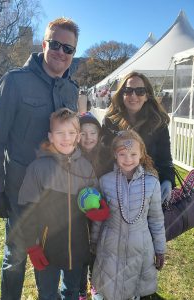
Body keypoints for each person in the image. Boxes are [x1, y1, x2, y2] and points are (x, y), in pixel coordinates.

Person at [0, 17, 80, 300]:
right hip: (18, 192)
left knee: (47, 259)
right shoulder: (14, 82)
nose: (61, 52)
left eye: (69, 48)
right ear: (44, 44)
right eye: (56, 44)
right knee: (16, 259)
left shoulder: (71, 90)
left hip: (57, 194)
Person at [18, 108, 102, 299]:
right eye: (60, 133)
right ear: (50, 136)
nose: (66, 138)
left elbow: (95, 198)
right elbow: (26, 211)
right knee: (47, 293)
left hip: (78, 247)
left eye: (71, 133)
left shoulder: (86, 167)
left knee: (71, 291)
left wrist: (98, 208)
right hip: (48, 248)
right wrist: (32, 245)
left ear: (78, 136)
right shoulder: (38, 169)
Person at [91, 130, 166, 300]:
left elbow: (156, 219)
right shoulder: (105, 181)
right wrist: (94, 241)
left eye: (133, 154)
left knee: (135, 290)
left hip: (140, 247)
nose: (128, 159)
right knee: (110, 287)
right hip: (110, 246)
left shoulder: (152, 183)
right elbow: (98, 217)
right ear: (115, 155)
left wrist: (160, 249)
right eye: (122, 154)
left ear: (141, 154)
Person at [101, 71, 175, 204]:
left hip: (148, 192)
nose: (133, 95)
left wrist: (167, 181)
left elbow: (165, 160)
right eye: (128, 90)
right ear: (122, 94)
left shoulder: (158, 124)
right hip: (116, 192)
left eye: (140, 91)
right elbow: (103, 158)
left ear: (147, 96)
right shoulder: (110, 123)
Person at [79, 112, 111, 300]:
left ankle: (95, 283)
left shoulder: (106, 156)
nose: (88, 137)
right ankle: (80, 287)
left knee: (97, 249)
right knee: (81, 250)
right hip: (79, 214)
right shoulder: (72, 155)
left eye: (93, 133)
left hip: (100, 212)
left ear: (99, 135)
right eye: (83, 133)